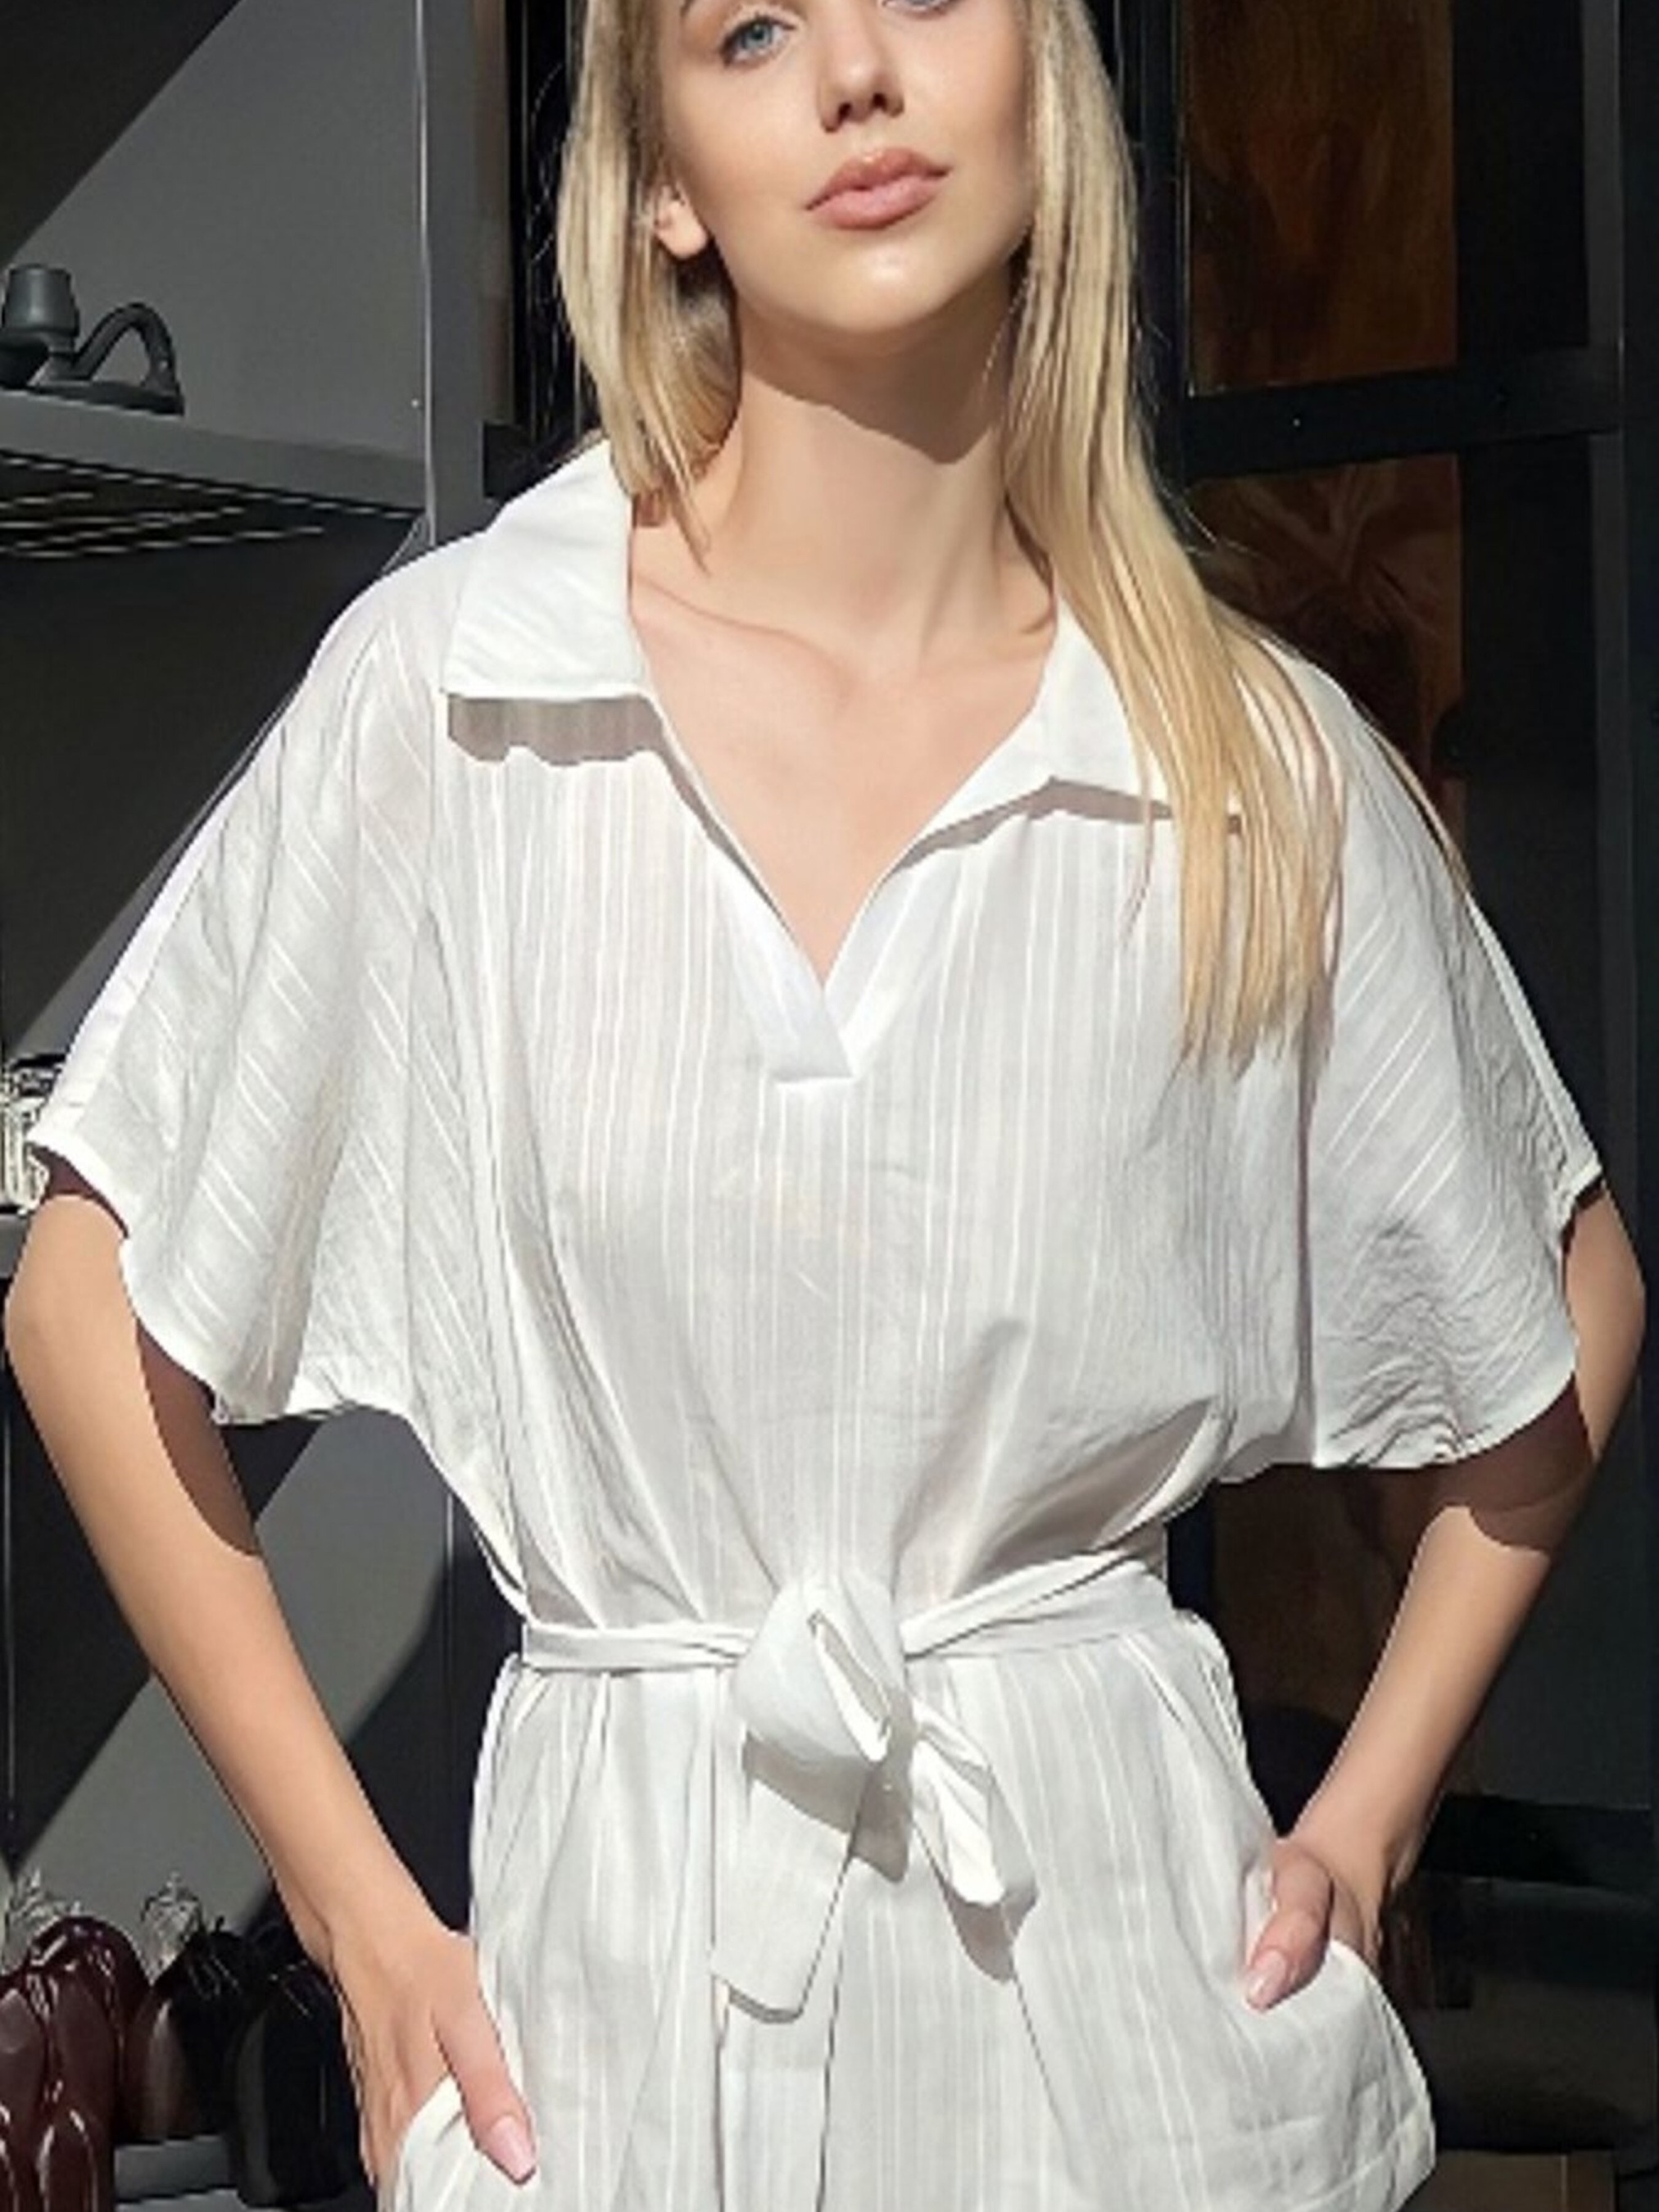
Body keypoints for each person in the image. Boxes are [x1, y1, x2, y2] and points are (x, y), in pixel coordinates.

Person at [4, 0, 1644, 2201]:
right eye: (754, 28)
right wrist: (359, 1924)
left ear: (1042, 89)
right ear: (665, 182)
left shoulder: (1238, 756)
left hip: (1125, 2006)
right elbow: (86, 1306)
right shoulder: (465, 696)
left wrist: (1365, 1821)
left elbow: (1564, 1300)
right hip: (627, 2008)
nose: (857, 74)